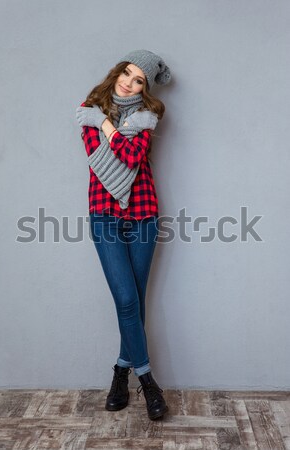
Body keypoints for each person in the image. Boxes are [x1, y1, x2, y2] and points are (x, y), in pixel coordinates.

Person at [76, 49, 171, 420]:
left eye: (138, 80)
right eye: (126, 73)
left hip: (144, 213)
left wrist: (108, 127)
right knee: (126, 301)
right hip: (104, 215)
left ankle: (120, 371)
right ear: (117, 71)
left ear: (145, 87)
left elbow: (132, 159)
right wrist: (113, 133)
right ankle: (148, 382)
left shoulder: (148, 115)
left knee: (134, 301)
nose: (128, 83)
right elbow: (99, 159)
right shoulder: (88, 109)